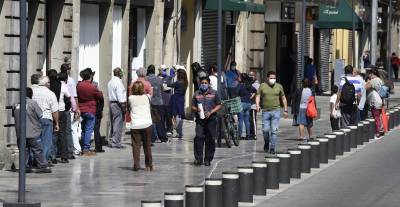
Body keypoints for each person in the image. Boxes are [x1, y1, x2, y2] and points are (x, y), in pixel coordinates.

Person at [14, 88, 52, 173]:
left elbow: (14, 115)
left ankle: (24, 166)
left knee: (24, 150)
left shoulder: (16, 104)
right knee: (37, 149)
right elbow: (40, 115)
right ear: (31, 94)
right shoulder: (32, 103)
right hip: (32, 132)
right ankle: (42, 166)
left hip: (20, 133)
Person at [192, 76, 222, 166]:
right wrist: (197, 109)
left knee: (210, 139)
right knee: (198, 137)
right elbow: (192, 106)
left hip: (211, 119)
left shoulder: (214, 93)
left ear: (208, 84)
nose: (204, 84)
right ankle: (198, 158)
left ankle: (208, 159)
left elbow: (219, 105)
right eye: (202, 83)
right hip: (200, 120)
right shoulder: (196, 93)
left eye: (205, 83)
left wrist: (211, 112)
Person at [256, 71, 288, 154]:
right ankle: (266, 142)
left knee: (274, 131)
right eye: (271, 78)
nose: (273, 79)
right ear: (267, 78)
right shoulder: (263, 86)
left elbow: (283, 98)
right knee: (265, 130)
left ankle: (272, 147)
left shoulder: (279, 86)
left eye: (274, 78)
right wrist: (257, 105)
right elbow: (258, 95)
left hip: (276, 111)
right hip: (265, 111)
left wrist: (285, 110)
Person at [31, 74, 59, 163]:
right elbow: (54, 110)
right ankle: (43, 161)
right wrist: (57, 123)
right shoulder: (50, 93)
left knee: (33, 141)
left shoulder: (30, 90)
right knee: (46, 141)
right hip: (46, 118)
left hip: (33, 119)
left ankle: (34, 160)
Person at [77, 68, 104, 156]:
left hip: (81, 109)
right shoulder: (92, 87)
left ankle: (82, 147)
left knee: (83, 129)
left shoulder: (79, 85)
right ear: (90, 77)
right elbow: (100, 96)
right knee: (88, 130)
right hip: (90, 109)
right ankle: (86, 148)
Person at [128, 81, 153, 171]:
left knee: (136, 146)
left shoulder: (130, 98)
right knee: (147, 145)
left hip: (135, 125)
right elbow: (151, 92)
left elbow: (129, 108)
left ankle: (136, 165)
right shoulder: (147, 97)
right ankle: (149, 165)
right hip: (147, 124)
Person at [60, 62, 81, 156]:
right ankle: (72, 149)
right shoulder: (71, 81)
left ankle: (65, 149)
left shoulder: (59, 79)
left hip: (60, 107)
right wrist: (76, 109)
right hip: (68, 107)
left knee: (63, 130)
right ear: (68, 70)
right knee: (70, 129)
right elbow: (74, 96)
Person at [146, 65, 167, 143]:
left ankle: (152, 137)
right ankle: (162, 137)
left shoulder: (146, 79)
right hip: (158, 102)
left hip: (149, 102)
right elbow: (163, 88)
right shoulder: (158, 79)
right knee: (159, 120)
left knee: (150, 120)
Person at [107, 67, 127, 149]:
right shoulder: (118, 82)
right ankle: (116, 142)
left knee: (114, 122)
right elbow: (120, 96)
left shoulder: (110, 82)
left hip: (112, 103)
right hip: (118, 104)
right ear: (119, 73)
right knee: (118, 124)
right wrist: (123, 107)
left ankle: (113, 140)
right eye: (121, 73)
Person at [56, 71, 72, 163]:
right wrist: (68, 107)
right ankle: (64, 156)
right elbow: (69, 97)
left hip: (53, 111)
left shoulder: (51, 86)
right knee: (63, 133)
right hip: (61, 111)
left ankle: (53, 155)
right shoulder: (63, 86)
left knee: (54, 134)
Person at [168, 69, 188, 139]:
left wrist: (171, 77)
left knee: (174, 115)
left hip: (176, 99)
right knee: (180, 114)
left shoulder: (178, 82)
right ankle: (179, 132)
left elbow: (169, 85)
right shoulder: (185, 82)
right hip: (181, 99)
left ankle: (176, 130)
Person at [366, 68, 385, 137]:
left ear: (371, 74)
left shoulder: (373, 80)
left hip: (375, 101)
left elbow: (366, 87)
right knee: (379, 116)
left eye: (369, 74)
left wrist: (368, 82)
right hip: (380, 100)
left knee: (376, 116)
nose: (368, 75)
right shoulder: (380, 80)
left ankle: (378, 131)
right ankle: (381, 129)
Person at [237, 73, 257, 140]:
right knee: (247, 120)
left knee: (240, 120)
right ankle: (248, 135)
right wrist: (251, 96)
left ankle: (239, 135)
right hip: (248, 104)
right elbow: (255, 91)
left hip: (242, 103)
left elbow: (236, 92)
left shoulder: (240, 85)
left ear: (242, 78)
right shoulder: (249, 85)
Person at [159, 66, 173, 136]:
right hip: (160, 100)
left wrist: (162, 85)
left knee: (168, 116)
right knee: (161, 117)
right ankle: (162, 130)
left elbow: (167, 88)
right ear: (160, 70)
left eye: (165, 70)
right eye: (163, 70)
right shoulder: (157, 78)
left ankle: (169, 129)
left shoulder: (169, 78)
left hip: (168, 100)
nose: (165, 71)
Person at [249, 71, 260, 140]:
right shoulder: (249, 83)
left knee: (253, 120)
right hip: (249, 104)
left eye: (252, 75)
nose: (251, 76)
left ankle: (254, 134)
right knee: (249, 120)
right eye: (249, 75)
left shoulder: (257, 84)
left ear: (255, 76)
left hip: (253, 105)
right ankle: (250, 134)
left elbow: (256, 94)